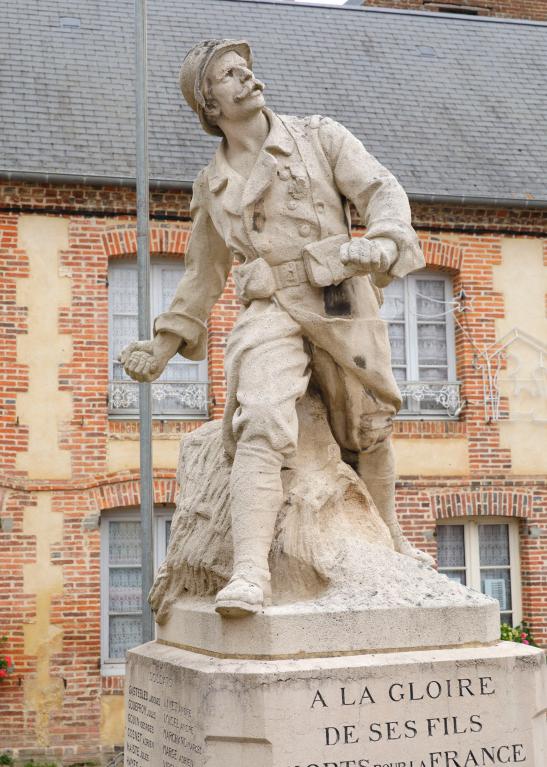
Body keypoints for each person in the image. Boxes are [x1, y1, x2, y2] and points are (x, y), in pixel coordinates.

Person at [121, 39, 431, 618]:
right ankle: (249, 573)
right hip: (268, 306)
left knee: (369, 428)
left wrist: (384, 239)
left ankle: (391, 537)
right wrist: (162, 347)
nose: (246, 78)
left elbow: (381, 189)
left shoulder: (317, 136)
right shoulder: (211, 184)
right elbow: (202, 273)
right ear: (209, 106)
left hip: (339, 295)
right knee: (259, 420)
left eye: (246, 69)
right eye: (229, 75)